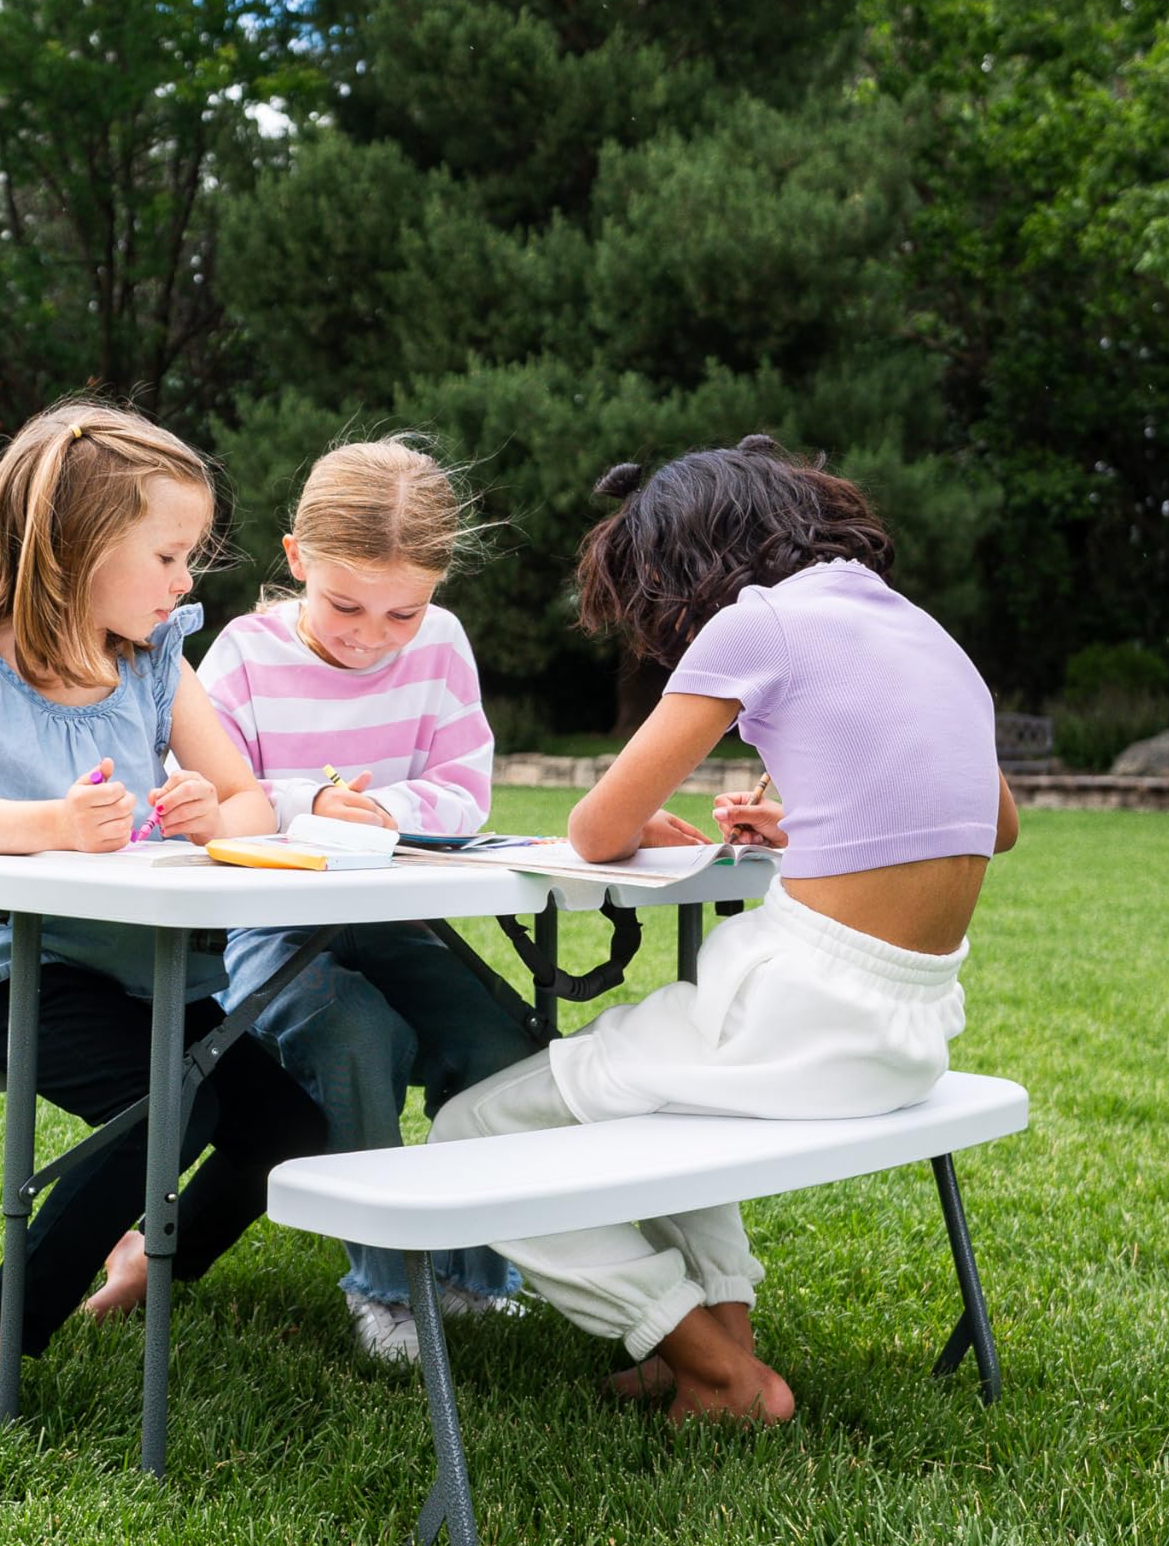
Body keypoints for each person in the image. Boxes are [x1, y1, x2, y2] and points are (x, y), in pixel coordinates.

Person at [430, 436, 1021, 1429]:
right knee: (669, 1107)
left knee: (465, 1134)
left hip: (794, 1007)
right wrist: (810, 825)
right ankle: (720, 1339)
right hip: (907, 1033)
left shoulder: (757, 623)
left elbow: (595, 828)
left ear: (684, 563)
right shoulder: (921, 629)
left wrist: (640, 820)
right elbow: (995, 823)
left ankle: (711, 1367)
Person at [0, 400, 327, 1405]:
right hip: (9, 969)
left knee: (287, 1126)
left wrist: (211, 810)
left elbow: (252, 800)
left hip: (143, 962)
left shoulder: (153, 661)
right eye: (169, 557)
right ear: (77, 550)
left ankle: (142, 1267)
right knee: (176, 1109)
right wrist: (51, 821)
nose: (186, 581)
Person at [96, 437, 537, 1365]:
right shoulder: (242, 660)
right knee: (353, 1034)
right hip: (268, 929)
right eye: (345, 604)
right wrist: (305, 810)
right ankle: (387, 1288)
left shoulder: (443, 644)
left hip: (397, 921)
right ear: (297, 560)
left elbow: (464, 789)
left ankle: (477, 1274)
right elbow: (204, 798)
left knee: (504, 1047)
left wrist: (383, 809)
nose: (371, 634)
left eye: (401, 612)